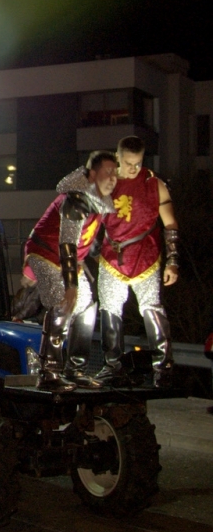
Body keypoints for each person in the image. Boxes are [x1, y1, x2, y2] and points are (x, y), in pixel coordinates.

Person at [23, 151, 118, 392]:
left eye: (115, 173)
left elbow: (90, 243)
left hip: (72, 261)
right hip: (44, 253)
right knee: (62, 301)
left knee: (87, 304)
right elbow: (67, 243)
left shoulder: (100, 201)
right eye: (107, 172)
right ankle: (49, 370)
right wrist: (71, 285)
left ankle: (75, 368)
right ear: (93, 174)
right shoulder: (76, 199)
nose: (112, 178)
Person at [96, 136, 178, 388]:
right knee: (110, 311)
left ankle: (163, 368)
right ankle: (113, 365)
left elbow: (170, 224)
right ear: (118, 157)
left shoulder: (154, 184)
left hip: (146, 256)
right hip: (112, 257)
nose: (133, 168)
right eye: (129, 163)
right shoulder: (104, 184)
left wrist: (173, 260)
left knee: (152, 311)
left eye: (138, 163)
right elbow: (90, 224)